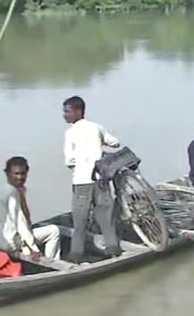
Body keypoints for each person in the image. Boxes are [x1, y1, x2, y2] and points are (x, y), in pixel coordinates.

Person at [63, 96, 121, 264]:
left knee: (79, 221)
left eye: (67, 111)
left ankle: (75, 255)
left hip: (82, 182)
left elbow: (69, 162)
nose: (65, 115)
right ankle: (113, 249)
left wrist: (78, 162)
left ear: (78, 111)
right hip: (101, 180)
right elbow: (115, 143)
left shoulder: (70, 133)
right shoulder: (96, 127)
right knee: (106, 217)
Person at [0, 156, 61, 260]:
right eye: (16, 174)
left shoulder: (0, 191)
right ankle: (51, 263)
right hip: (8, 243)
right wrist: (33, 249)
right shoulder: (12, 193)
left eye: (23, 174)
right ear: (7, 174)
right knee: (54, 231)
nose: (20, 177)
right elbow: (20, 222)